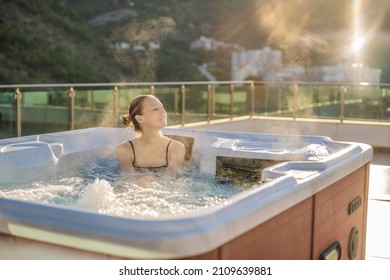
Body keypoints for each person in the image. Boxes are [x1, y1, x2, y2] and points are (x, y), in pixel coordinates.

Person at [116, 95, 186, 177]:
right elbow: (128, 181)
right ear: (140, 119)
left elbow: (170, 181)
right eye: (155, 109)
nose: (163, 112)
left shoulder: (176, 148)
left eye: (162, 108)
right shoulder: (125, 149)